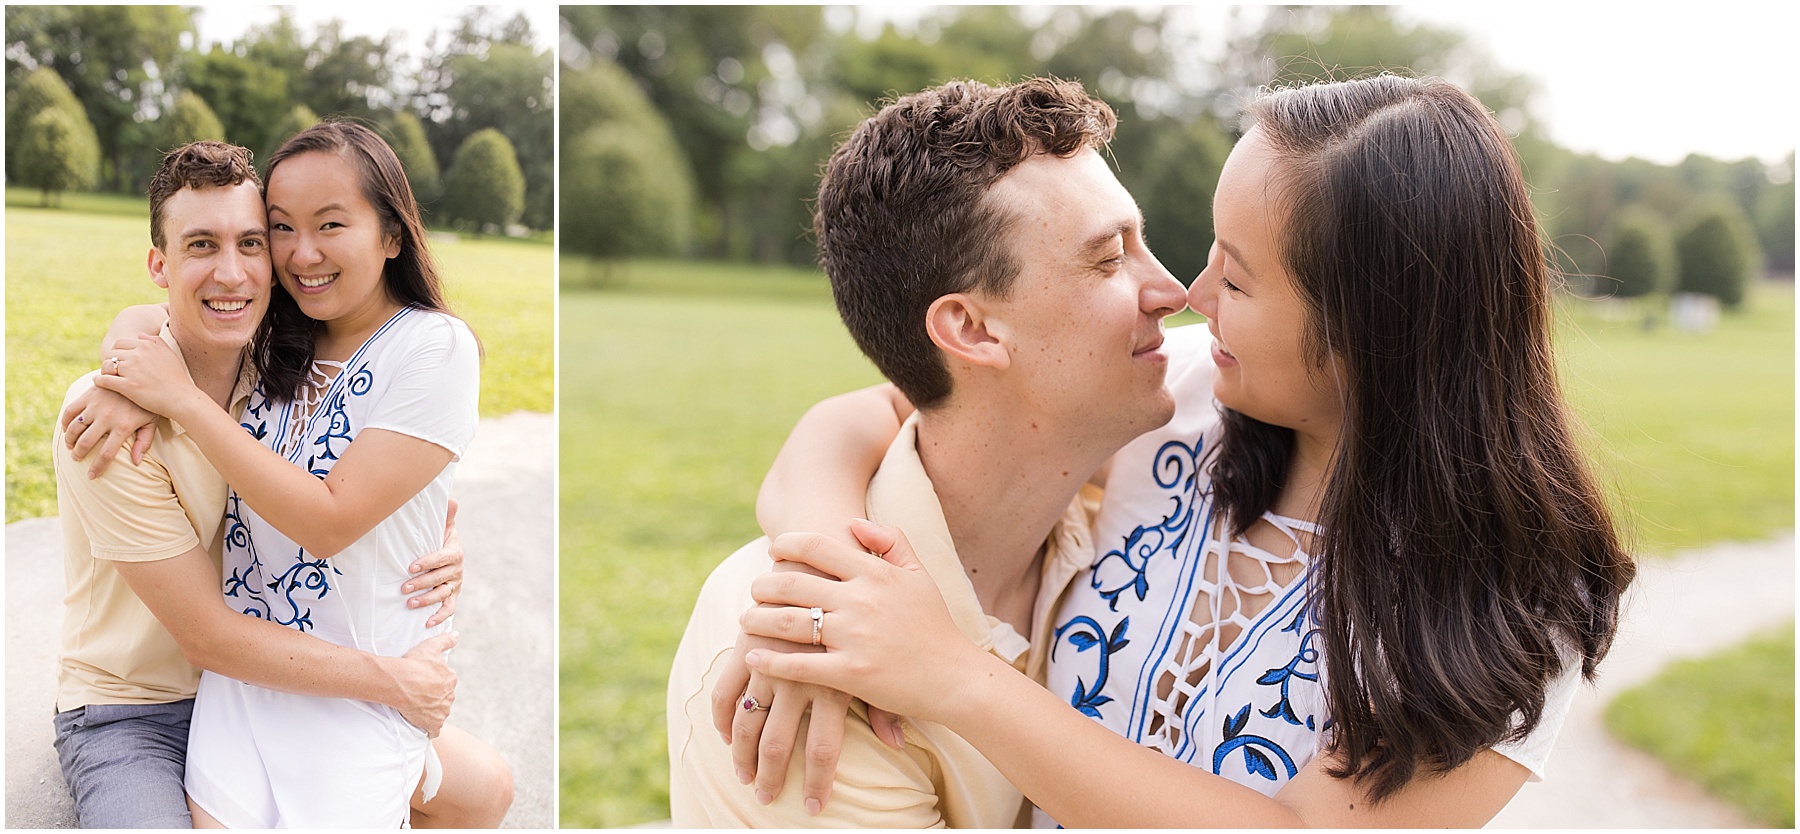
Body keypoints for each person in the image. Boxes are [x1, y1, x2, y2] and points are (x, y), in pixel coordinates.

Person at [732, 74, 1636, 826]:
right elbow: (872, 416)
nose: (1190, 291)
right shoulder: (1186, 391)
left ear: (1371, 328)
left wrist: (952, 676)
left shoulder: (1517, 603)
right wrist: (819, 590)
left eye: (1236, 278)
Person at [666, 77, 1188, 826]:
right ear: (972, 331)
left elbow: (864, 411)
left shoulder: (1141, 480)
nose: (1171, 290)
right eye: (1109, 260)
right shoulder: (798, 677)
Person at [50, 140, 509, 829]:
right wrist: (120, 374)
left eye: (254, 243)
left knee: (487, 789)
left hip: (270, 679)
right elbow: (208, 635)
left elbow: (346, 496)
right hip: (136, 709)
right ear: (160, 265)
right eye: (202, 244)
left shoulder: (263, 365)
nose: (237, 271)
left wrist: (431, 531)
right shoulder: (116, 421)